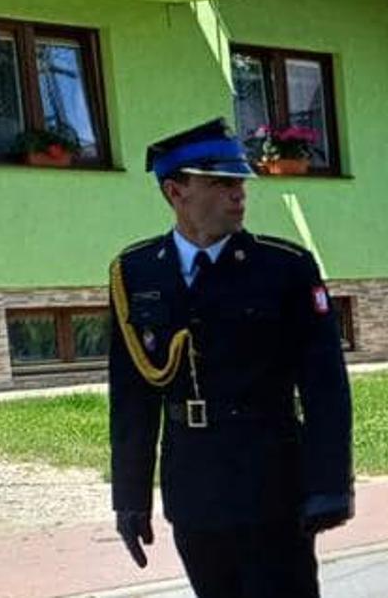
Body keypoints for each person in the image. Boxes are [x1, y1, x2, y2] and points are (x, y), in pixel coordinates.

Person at [108, 119, 353, 598]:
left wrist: (330, 484)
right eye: (220, 184)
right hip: (194, 488)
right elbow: (133, 398)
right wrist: (130, 499)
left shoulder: (284, 267)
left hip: (272, 486)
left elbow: (325, 387)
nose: (237, 195)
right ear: (175, 192)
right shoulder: (136, 273)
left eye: (239, 183)